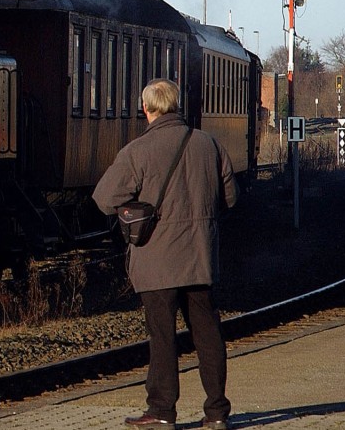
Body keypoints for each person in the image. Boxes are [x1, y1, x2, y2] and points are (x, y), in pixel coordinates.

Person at [93, 79, 238, 430]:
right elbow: (230, 198)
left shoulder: (137, 151)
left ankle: (161, 411)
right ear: (176, 105)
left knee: (162, 337)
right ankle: (217, 413)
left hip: (156, 262)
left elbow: (103, 199)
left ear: (146, 109)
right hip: (200, 260)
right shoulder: (209, 145)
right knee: (208, 335)